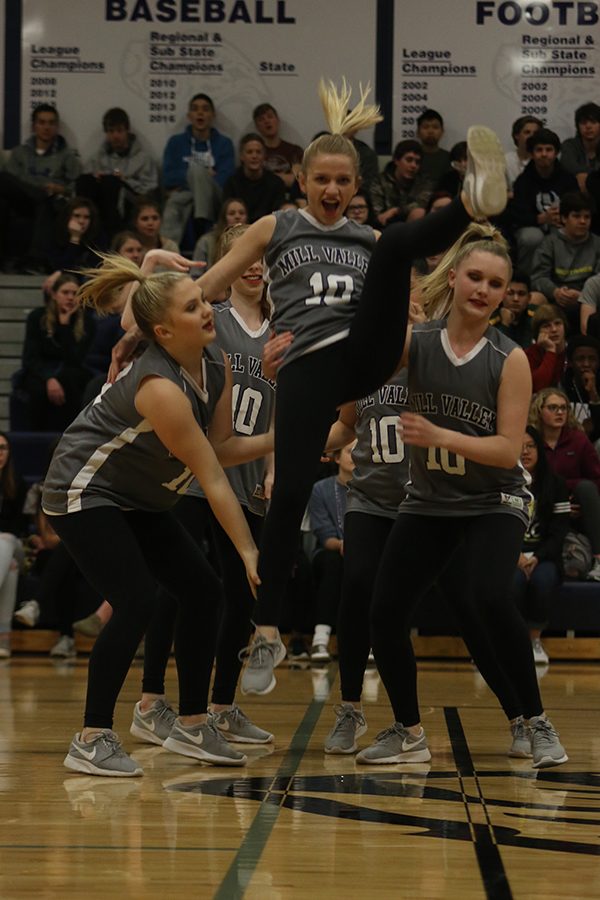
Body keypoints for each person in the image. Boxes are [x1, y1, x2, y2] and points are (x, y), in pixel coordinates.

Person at [119, 80, 508, 697]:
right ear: (302, 180)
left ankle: (473, 201)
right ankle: (267, 629)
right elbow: (210, 286)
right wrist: (147, 296)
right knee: (292, 487)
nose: (332, 191)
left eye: (343, 182)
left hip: (366, 355)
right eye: (321, 180)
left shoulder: (367, 239)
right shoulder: (276, 227)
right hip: (305, 365)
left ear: (356, 187)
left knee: (397, 241)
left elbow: (414, 300)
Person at [42, 248, 274, 777]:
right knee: (136, 601)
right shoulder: (160, 388)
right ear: (165, 333)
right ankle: (92, 736)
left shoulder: (216, 365)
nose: (207, 310)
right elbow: (213, 478)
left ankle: (192, 725)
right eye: (193, 308)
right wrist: (247, 548)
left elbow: (220, 449)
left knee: (202, 589)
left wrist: (288, 439)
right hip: (84, 487)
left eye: (203, 301)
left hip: (137, 494)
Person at [357, 224, 568, 769]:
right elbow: (356, 362)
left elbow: (505, 452)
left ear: (504, 294)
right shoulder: (417, 342)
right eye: (474, 277)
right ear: (452, 278)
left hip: (494, 500)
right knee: (384, 611)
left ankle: (536, 720)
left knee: (489, 595)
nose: (483, 289)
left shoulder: (510, 357)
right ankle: (407, 732)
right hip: (429, 500)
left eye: (495, 284)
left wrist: (439, 436)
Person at [131, 224, 276, 747]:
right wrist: (148, 267)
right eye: (247, 258)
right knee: (182, 585)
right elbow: (140, 324)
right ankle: (151, 700)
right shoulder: (207, 317)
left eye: (264, 258)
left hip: (245, 472)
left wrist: (275, 465)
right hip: (194, 472)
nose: (256, 266)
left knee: (240, 595)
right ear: (229, 264)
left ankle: (222, 706)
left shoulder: (282, 327)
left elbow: (281, 406)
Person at [512, 426, 570, 666]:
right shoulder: (500, 482)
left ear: (540, 450)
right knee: (510, 583)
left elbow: (559, 532)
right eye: (520, 446)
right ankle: (504, 643)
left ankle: (534, 640)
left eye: (531, 446)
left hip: (543, 556)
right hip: (509, 555)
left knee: (542, 581)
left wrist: (536, 556)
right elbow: (492, 527)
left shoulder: (555, 484)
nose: (525, 452)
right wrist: (515, 556)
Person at [529, 386, 600, 582]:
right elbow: (529, 477)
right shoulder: (530, 441)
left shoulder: (578, 440)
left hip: (577, 506)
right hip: (542, 506)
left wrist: (568, 500)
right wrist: (559, 497)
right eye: (552, 407)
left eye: (564, 408)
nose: (560, 412)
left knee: (586, 488)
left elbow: (596, 479)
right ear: (539, 410)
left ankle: (598, 558)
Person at [0, 104, 82, 269]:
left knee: (46, 202)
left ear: (57, 127)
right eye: (42, 122)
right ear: (34, 126)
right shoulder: (19, 153)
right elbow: (10, 184)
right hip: (22, 200)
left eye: (51, 123)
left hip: (52, 202)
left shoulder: (67, 155)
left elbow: (78, 184)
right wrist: (38, 190)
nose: (46, 127)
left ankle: (35, 260)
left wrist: (62, 189)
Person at [21, 274, 96, 430]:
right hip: (42, 369)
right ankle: (36, 437)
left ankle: (70, 433)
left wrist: (65, 325)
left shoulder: (88, 322)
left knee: (71, 381)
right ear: (54, 295)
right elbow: (30, 357)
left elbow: (75, 359)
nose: (70, 298)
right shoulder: (37, 317)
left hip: (72, 369)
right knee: (37, 389)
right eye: (65, 292)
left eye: (74, 293)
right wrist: (49, 378)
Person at [161, 93, 235, 244]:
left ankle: (203, 224)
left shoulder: (224, 143)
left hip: (216, 198)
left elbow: (226, 178)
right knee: (173, 203)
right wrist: (198, 176)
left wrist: (201, 177)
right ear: (189, 115)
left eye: (205, 109)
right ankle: (168, 251)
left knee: (196, 172)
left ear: (212, 115)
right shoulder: (176, 142)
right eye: (195, 109)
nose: (200, 113)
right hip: (186, 195)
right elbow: (168, 177)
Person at [77, 107, 159, 238]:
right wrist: (96, 179)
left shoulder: (143, 158)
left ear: (127, 131)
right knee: (86, 181)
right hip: (100, 204)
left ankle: (112, 236)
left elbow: (150, 188)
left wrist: (124, 180)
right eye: (111, 131)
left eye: (119, 131)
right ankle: (81, 236)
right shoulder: (97, 158)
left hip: (130, 204)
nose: (115, 136)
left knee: (112, 183)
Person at [307, 442, 354, 663]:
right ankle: (320, 638)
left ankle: (368, 640)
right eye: (349, 451)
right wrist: (344, 545)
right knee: (333, 563)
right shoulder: (320, 489)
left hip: (362, 551)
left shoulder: (371, 488)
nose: (355, 456)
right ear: (337, 458)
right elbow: (324, 535)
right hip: (330, 552)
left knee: (370, 567)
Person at [510, 128, 579, 275]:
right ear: (532, 153)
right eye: (539, 150)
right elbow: (515, 214)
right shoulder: (523, 181)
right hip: (532, 226)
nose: (544, 154)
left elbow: (578, 206)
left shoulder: (568, 179)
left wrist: (563, 218)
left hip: (561, 223)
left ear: (556, 153)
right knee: (531, 238)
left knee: (563, 233)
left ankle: (565, 280)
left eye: (549, 149)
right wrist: (540, 218)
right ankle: (525, 281)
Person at [531, 192, 600, 332]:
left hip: (588, 300)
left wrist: (583, 295)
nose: (582, 221)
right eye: (577, 216)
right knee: (534, 298)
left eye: (587, 217)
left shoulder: (598, 244)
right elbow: (538, 277)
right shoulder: (550, 243)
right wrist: (555, 291)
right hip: (555, 298)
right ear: (564, 218)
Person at [0, 434, 27, 659]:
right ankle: (4, 638)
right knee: (11, 569)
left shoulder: (18, 482)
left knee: (5, 541)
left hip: (14, 542)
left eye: (3, 448)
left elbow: (20, 526)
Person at [222, 133, 286, 223]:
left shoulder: (276, 183)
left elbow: (278, 217)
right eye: (249, 152)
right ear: (241, 156)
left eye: (258, 152)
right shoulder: (231, 183)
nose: (254, 156)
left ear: (264, 156)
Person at [370, 140, 431, 227]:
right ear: (396, 160)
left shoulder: (424, 182)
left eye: (417, 162)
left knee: (418, 213)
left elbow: (422, 203)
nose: (413, 166)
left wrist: (396, 210)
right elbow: (378, 213)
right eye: (409, 160)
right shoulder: (380, 181)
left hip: (412, 227)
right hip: (386, 226)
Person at [252, 102, 303, 199]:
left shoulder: (294, 150)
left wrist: (267, 178)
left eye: (270, 117)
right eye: (261, 119)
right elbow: (253, 182)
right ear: (257, 126)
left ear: (278, 120)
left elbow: (297, 181)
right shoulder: (254, 152)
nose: (267, 121)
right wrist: (284, 177)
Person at [192, 197, 248, 269]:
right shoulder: (206, 242)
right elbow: (195, 275)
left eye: (241, 213)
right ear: (223, 218)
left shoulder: (255, 240)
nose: (237, 216)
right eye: (231, 213)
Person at [563, 334, 600, 440]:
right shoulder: (562, 386)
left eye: (592, 359)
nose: (586, 364)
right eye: (580, 359)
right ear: (570, 362)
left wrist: (593, 393)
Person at [524, 304, 568, 392]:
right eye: (546, 326)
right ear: (538, 332)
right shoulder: (530, 353)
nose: (554, 329)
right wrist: (551, 351)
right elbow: (538, 387)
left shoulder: (575, 350)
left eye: (558, 323)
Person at [559, 102, 600, 193]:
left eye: (593, 122)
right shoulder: (569, 145)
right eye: (583, 123)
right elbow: (568, 166)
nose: (588, 126)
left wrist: (590, 178)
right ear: (577, 126)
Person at [489, 273, 536, 348]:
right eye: (510, 293)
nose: (516, 299)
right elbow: (496, 352)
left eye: (521, 294)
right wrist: (505, 325)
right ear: (502, 295)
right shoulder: (490, 320)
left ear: (529, 298)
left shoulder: (536, 318)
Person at [505, 115, 543, 190]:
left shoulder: (544, 159)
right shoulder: (506, 161)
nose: (531, 136)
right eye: (527, 132)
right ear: (517, 135)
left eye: (535, 133)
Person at [415, 109, 451, 186]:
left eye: (435, 127)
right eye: (425, 127)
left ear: (442, 132)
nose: (430, 131)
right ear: (418, 132)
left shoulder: (450, 158)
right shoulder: (411, 158)